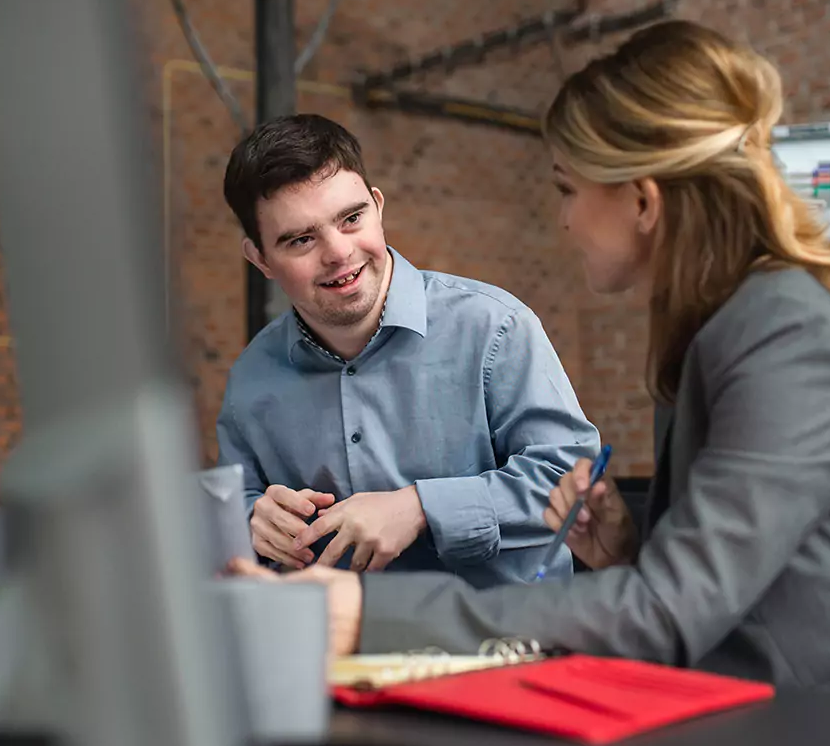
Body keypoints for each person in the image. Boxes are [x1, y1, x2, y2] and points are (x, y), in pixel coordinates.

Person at [229, 21, 830, 708]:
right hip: (792, 720)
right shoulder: (727, 326)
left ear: (642, 201)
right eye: (299, 239)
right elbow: (728, 581)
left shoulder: (786, 335)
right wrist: (631, 551)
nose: (564, 219)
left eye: (567, 188)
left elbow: (669, 609)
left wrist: (371, 614)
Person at [217, 114, 600, 588]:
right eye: (301, 239)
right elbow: (232, 509)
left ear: (378, 207)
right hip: (336, 635)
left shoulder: (494, 328)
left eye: (351, 218)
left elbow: (572, 482)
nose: (338, 252)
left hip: (502, 628)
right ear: (260, 258)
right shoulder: (251, 379)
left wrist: (420, 508)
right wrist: (251, 518)